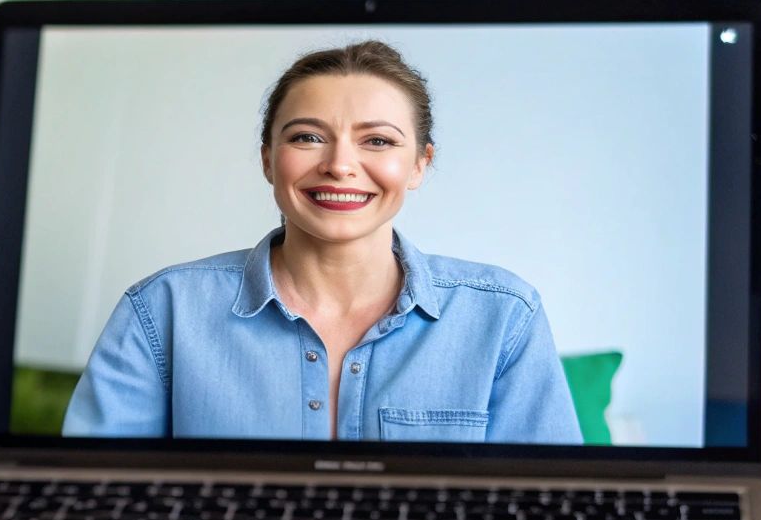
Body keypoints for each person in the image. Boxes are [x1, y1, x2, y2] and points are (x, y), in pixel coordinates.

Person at [62, 40, 582, 444]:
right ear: (268, 158)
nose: (339, 164)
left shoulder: (506, 316)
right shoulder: (160, 310)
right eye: (307, 137)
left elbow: (549, 512)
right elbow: (91, 506)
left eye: (377, 140)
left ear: (421, 163)